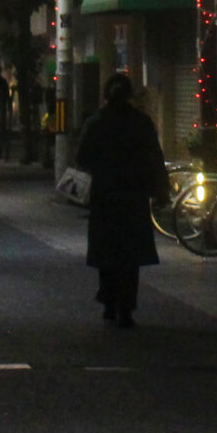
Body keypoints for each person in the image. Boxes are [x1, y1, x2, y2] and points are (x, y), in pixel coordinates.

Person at [73, 73, 167, 327]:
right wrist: (161, 191)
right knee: (130, 255)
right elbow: (154, 158)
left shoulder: (96, 123)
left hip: (105, 195)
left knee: (107, 251)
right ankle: (126, 305)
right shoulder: (141, 123)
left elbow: (82, 157)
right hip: (133, 195)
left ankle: (108, 300)